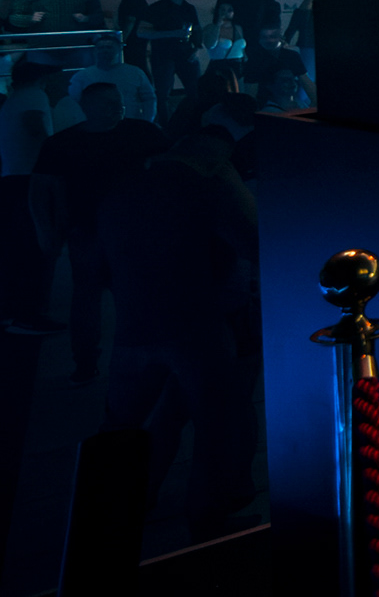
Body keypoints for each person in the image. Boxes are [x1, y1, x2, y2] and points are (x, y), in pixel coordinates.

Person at [96, 132, 258, 539]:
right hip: (196, 325)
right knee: (214, 429)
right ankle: (207, 528)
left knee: (118, 428)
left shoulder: (121, 190)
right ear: (218, 159)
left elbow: (100, 268)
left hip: (132, 329)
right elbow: (253, 243)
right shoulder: (207, 186)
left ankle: (100, 521)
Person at [31, 82, 169, 383]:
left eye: (117, 101)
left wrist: (47, 230)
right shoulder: (141, 133)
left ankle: (90, 363)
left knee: (92, 296)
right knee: (115, 295)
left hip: (107, 229)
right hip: (108, 229)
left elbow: (40, 189)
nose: (116, 106)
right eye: (107, 102)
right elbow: (39, 190)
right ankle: (128, 361)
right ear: (86, 106)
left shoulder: (64, 142)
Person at [0, 62, 66, 335]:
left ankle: (12, 313)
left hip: (12, 179)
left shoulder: (14, 99)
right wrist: (56, 157)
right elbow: (35, 127)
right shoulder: (34, 96)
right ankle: (29, 316)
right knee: (36, 246)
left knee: (16, 250)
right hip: (29, 180)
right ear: (42, 79)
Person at [140, 0, 202, 118]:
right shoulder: (156, 8)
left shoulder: (189, 8)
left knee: (195, 92)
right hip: (163, 56)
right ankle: (165, 125)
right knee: (162, 95)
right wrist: (172, 33)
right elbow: (141, 32)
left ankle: (193, 122)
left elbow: (197, 30)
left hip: (186, 54)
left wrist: (197, 48)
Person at [70, 33, 158, 123]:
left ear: (119, 49)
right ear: (95, 51)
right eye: (101, 47)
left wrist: (146, 122)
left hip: (130, 125)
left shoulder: (136, 73)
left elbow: (149, 99)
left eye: (109, 47)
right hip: (96, 125)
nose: (105, 50)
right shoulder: (81, 76)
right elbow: (74, 102)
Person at [241, 24, 313, 106]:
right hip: (265, 106)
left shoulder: (291, 56)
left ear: (280, 38)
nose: (269, 41)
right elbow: (251, 95)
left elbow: (307, 83)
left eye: (273, 37)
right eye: (264, 37)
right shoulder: (254, 61)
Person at [109, 0, 151, 76]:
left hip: (133, 42)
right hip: (137, 41)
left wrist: (122, 40)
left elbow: (130, 21)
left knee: (136, 67)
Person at [204, 3, 248, 86]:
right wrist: (218, 26)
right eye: (223, 10)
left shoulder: (238, 28)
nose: (225, 13)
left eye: (229, 10)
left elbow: (242, 49)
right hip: (220, 66)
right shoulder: (210, 28)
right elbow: (209, 45)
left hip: (237, 66)